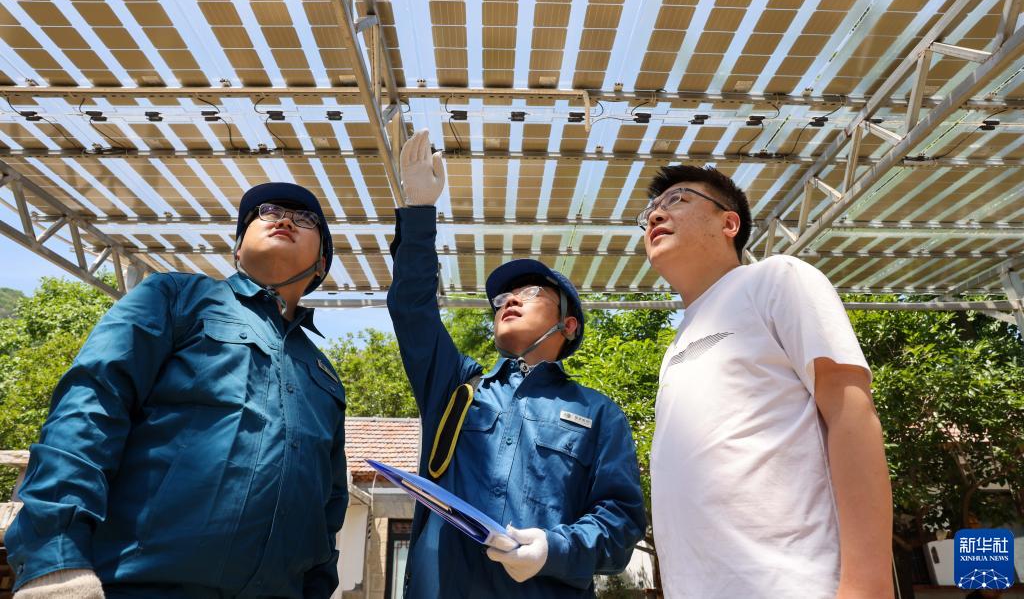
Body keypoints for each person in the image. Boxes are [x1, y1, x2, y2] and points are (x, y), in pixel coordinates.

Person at [7, 183, 348, 599]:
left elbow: (329, 504)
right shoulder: (175, 297)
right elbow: (91, 405)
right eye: (267, 211)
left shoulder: (325, 375)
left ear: (321, 264)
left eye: (306, 218)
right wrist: (55, 556)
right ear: (238, 249)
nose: (285, 220)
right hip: (134, 587)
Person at [386, 130, 646, 598]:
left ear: (568, 325)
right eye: (502, 297)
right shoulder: (456, 387)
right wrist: (419, 214)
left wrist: (553, 549)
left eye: (529, 292)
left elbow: (621, 522)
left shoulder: (599, 413)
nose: (509, 300)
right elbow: (413, 310)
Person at [640, 164, 893, 598]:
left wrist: (867, 587)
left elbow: (850, 411)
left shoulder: (776, 278)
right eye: (649, 212)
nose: (655, 216)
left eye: (677, 200)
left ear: (729, 223)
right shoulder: (677, 344)